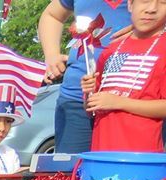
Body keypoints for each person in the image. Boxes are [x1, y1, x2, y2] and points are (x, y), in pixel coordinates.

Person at [39, 0, 132, 153]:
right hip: (76, 96)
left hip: (131, 100)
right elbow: (52, 15)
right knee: (71, 166)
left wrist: (152, 27)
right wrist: (51, 55)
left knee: (126, 167)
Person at [81, 0, 166, 152]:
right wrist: (89, 93)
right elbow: (91, 109)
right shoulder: (111, 50)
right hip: (102, 152)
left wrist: (120, 102)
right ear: (130, 4)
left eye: (163, 3)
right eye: (145, 1)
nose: (152, 9)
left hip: (142, 156)